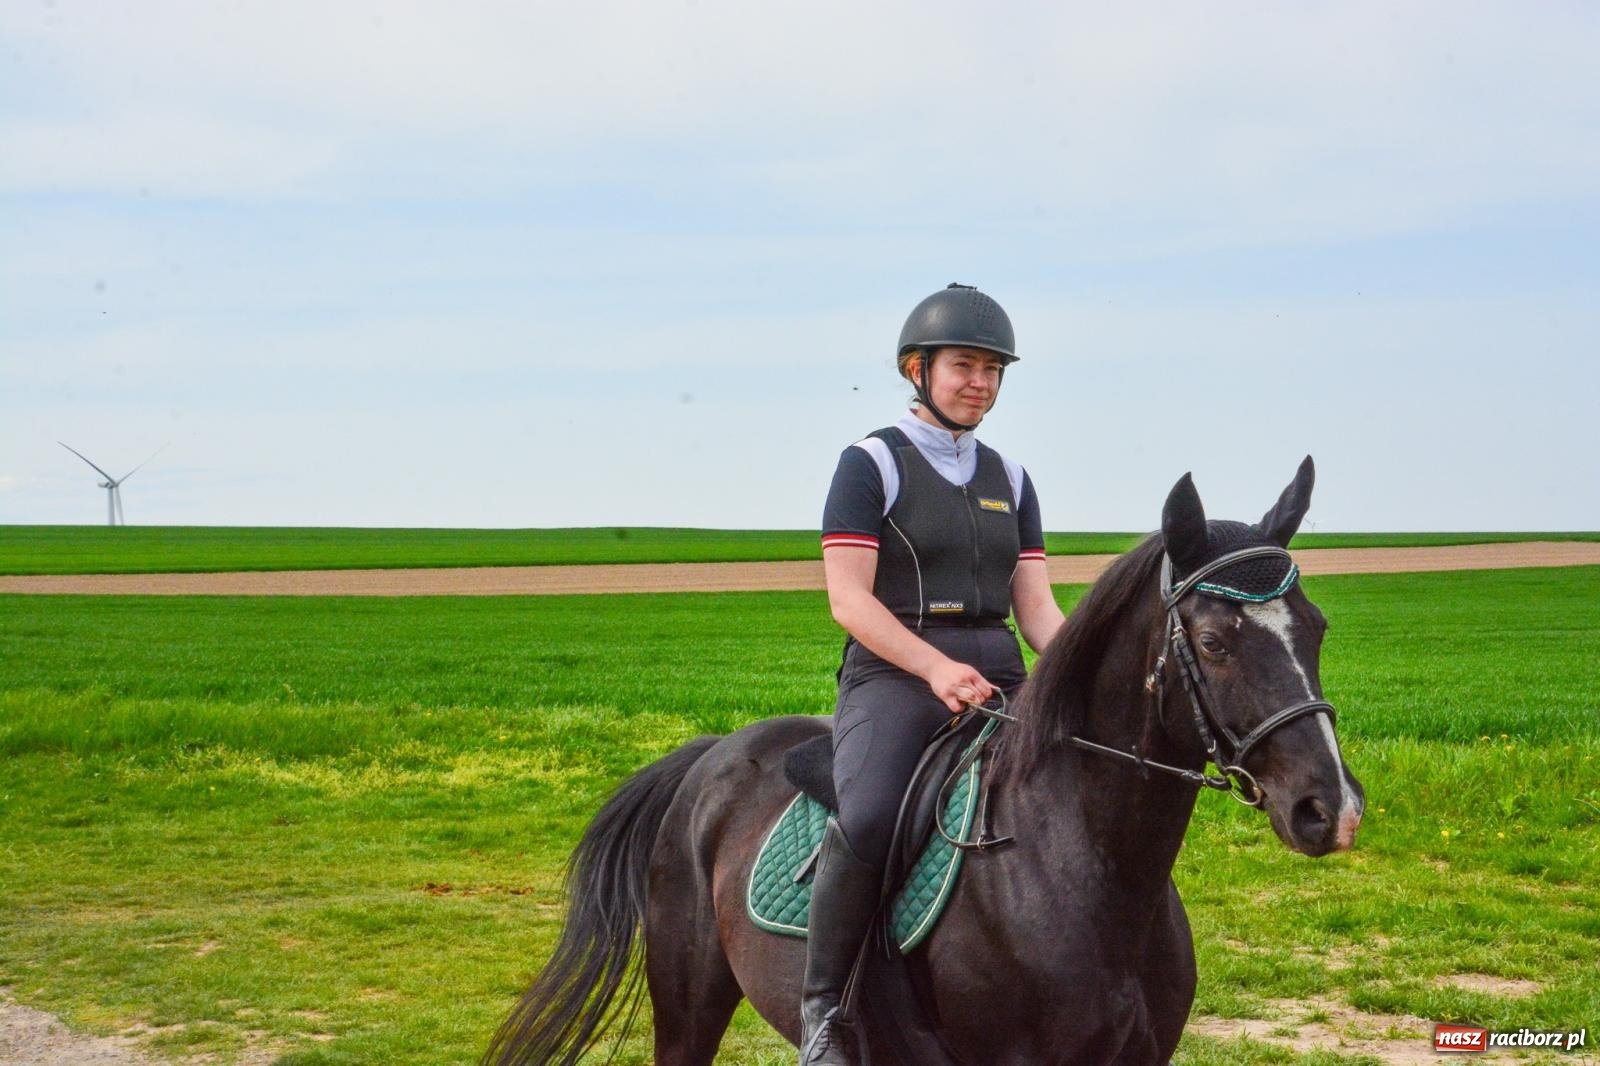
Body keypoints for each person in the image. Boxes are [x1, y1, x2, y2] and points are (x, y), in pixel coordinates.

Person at [801, 283, 1067, 1065]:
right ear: (918, 369)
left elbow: (1039, 613)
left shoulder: (1011, 480)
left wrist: (1091, 670)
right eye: (964, 365)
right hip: (895, 673)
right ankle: (825, 1011)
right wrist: (934, 668)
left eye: (993, 369)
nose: (979, 381)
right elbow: (848, 600)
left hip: (1001, 675)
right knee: (876, 812)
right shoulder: (871, 463)